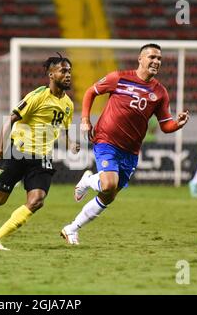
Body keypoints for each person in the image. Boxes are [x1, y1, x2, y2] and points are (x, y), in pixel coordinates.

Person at [60, 43, 189, 245]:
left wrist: (177, 124)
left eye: (159, 59)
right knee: (109, 184)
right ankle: (87, 181)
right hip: (106, 140)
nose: (156, 61)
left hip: (131, 151)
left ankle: (72, 228)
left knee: (109, 196)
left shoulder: (160, 92)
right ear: (140, 59)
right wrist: (85, 120)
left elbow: (166, 126)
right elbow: (90, 92)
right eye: (152, 57)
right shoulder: (118, 78)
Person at [0, 53, 80, 250]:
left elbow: (66, 127)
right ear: (51, 74)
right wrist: (1, 150)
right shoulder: (37, 97)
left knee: (36, 201)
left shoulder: (68, 104)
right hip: (18, 153)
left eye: (69, 71)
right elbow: (9, 119)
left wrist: (71, 142)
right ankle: (1, 182)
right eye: (63, 71)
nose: (68, 74)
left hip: (42, 158)